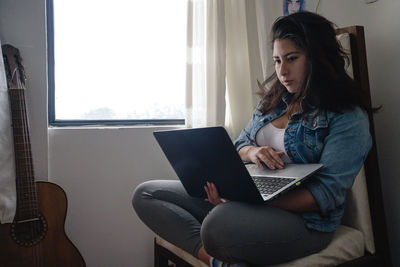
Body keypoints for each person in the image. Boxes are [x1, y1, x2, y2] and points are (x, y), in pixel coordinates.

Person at [132, 11, 373, 267]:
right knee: (146, 193)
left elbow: (325, 194)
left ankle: (226, 234)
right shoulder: (273, 101)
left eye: (292, 58)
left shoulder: (348, 117)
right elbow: (239, 146)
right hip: (246, 198)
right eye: (277, 60)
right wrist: (252, 153)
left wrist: (251, 200)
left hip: (305, 222)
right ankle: (216, 261)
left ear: (318, 58)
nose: (282, 70)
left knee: (218, 223)